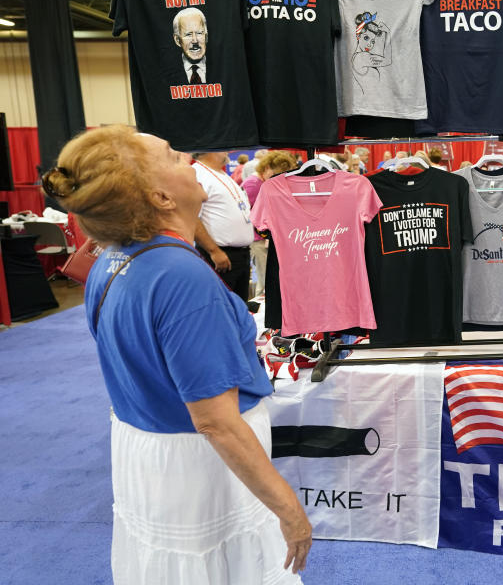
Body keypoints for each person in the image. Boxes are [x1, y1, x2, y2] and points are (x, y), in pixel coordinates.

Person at [40, 125, 311, 584]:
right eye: (171, 155)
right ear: (161, 197)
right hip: (199, 463)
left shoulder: (112, 257)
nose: (186, 156)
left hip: (150, 450)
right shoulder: (182, 278)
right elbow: (215, 421)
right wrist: (289, 510)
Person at [193, 150, 256, 300]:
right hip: (221, 256)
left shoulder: (221, 174)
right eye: (223, 148)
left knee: (240, 309)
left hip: (240, 254)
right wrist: (214, 251)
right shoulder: (197, 174)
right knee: (223, 308)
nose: (227, 150)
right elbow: (192, 218)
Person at [243, 150, 298, 297]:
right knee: (264, 280)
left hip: (271, 238)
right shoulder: (253, 184)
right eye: (276, 174)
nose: (278, 179)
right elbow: (252, 215)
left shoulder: (263, 184)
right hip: (260, 240)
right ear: (267, 168)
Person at [173, 7, 208, 84]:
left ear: (206, 36)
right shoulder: (168, 71)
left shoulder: (223, 68)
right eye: (188, 34)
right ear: (177, 40)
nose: (195, 40)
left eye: (199, 33)